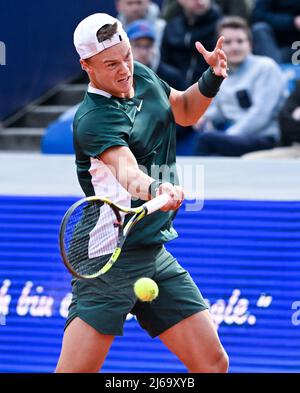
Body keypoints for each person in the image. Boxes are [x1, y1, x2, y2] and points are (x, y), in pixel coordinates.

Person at [55, 13, 229, 373]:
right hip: (108, 260)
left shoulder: (142, 75)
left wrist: (211, 79)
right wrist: (157, 188)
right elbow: (128, 173)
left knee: (213, 364)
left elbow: (182, 110)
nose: (124, 70)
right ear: (86, 66)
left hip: (151, 251)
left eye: (127, 56)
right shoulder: (93, 119)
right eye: (111, 64)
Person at [194, 16, 285, 157]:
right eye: (228, 42)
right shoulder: (220, 73)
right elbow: (221, 111)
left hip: (264, 137)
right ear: (219, 47)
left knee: (207, 140)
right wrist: (203, 117)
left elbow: (260, 115)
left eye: (240, 41)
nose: (235, 47)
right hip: (235, 138)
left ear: (250, 44)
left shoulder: (265, 67)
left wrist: (228, 136)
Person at [161, 0, 223, 85]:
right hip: (174, 90)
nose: (201, 2)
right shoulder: (172, 26)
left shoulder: (220, 26)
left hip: (209, 88)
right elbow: (163, 62)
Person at [243, 80, 300, 159]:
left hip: (268, 138)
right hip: (294, 147)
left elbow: (260, 115)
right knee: (249, 159)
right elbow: (284, 121)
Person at [126, 19, 187, 90]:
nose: (143, 52)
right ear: (128, 47)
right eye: (137, 45)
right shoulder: (121, 76)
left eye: (148, 45)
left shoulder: (172, 77)